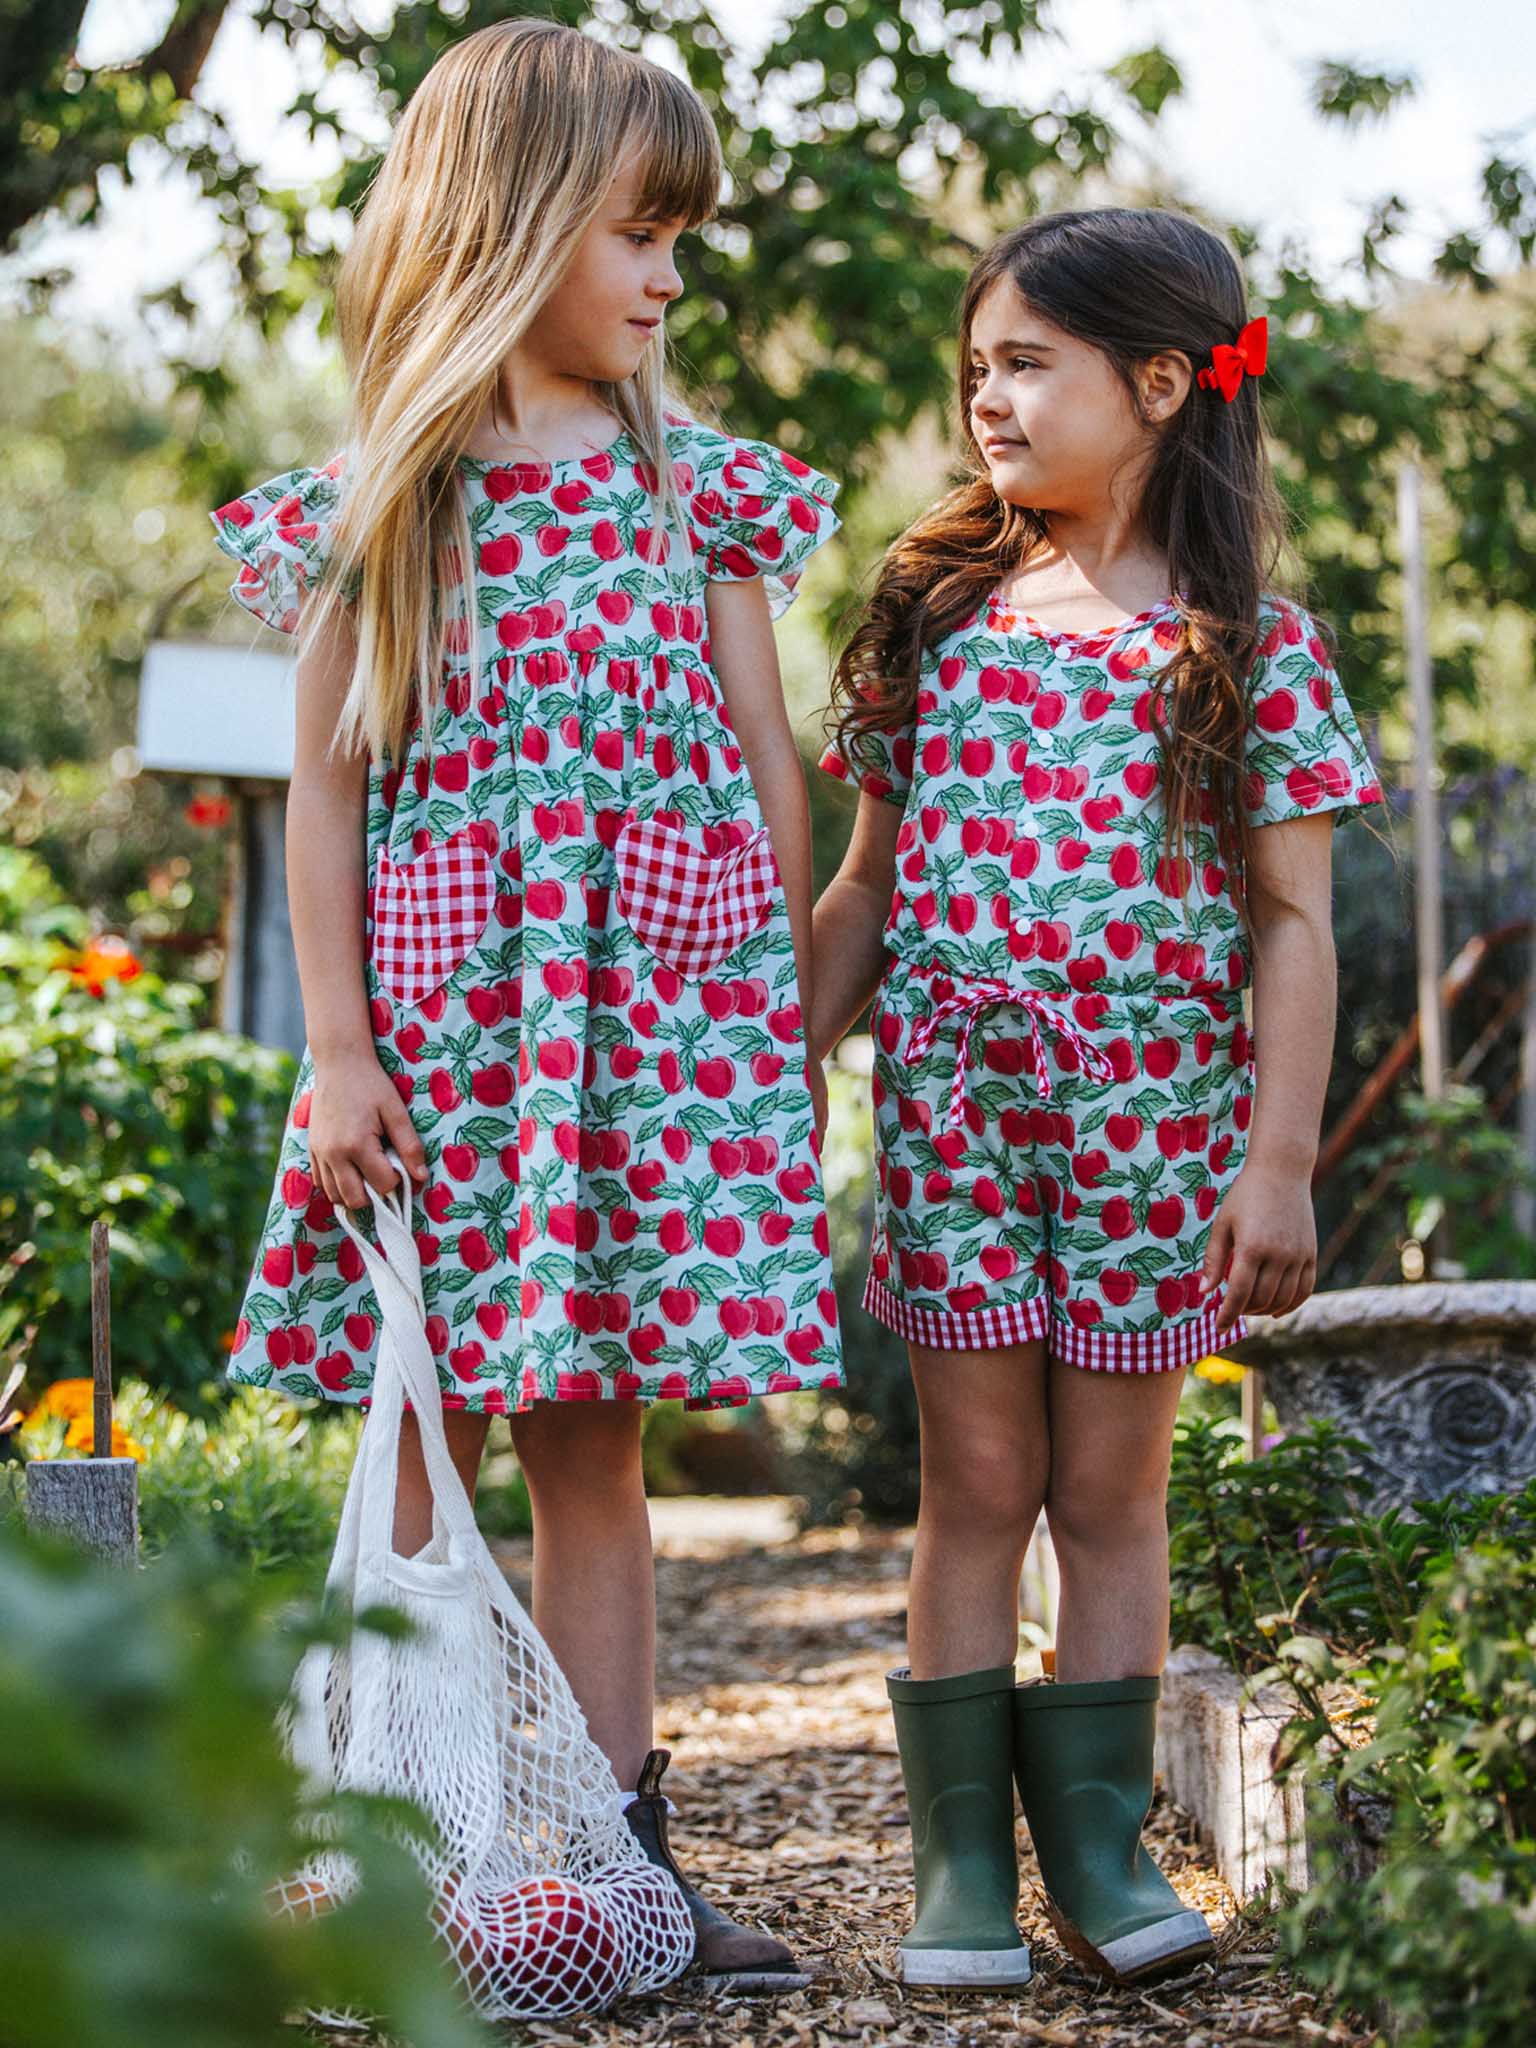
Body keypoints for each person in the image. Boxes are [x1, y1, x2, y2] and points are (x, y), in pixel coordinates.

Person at [208, 19, 843, 1993]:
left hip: (639, 1046)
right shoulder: (380, 501)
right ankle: (391, 1855)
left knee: (597, 1447)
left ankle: (609, 1871)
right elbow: (324, 789)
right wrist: (335, 1046)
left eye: (681, 243)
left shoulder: (699, 486)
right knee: (421, 1430)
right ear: (516, 221)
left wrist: (771, 1003)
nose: (667, 278)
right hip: (443, 1047)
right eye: (640, 234)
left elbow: (759, 757)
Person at [811, 208, 1382, 1989]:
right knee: (977, 1482)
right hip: (958, 1118)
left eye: (1027, 363)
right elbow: (861, 892)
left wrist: (1277, 1164)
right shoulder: (936, 610)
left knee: (1113, 1496)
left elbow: (1293, 924)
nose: (988, 397)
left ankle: (1102, 1856)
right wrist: (752, 1072)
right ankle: (960, 1870)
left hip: (1161, 1129)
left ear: (1158, 383)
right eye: (976, 366)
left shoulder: (1249, 645)